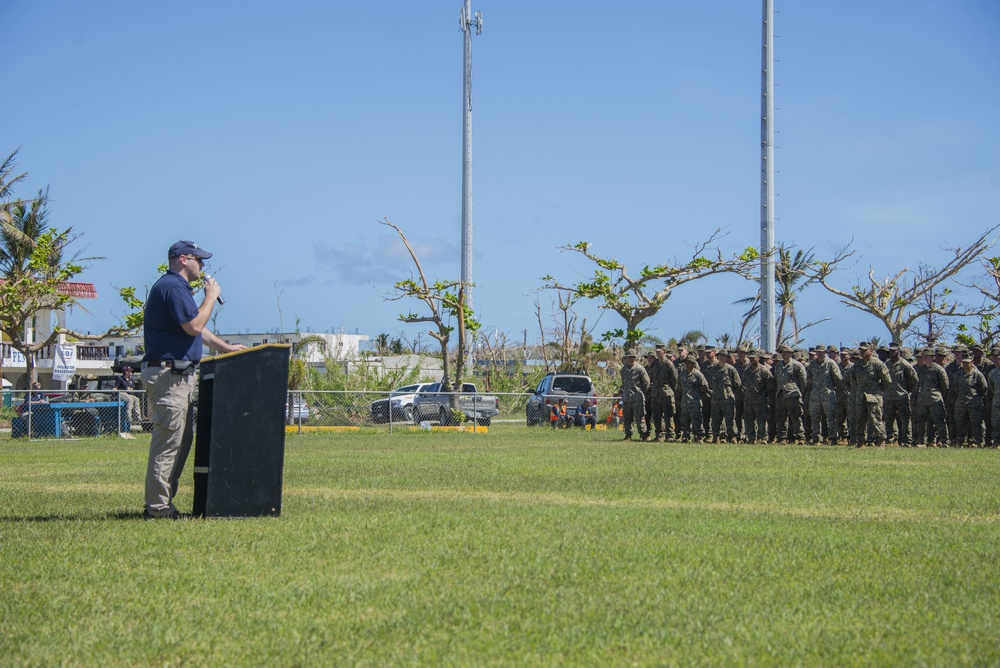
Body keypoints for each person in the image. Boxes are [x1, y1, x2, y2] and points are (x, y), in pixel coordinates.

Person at [141, 240, 245, 520]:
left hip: (176, 376)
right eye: (200, 260)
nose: (204, 266)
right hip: (168, 376)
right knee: (168, 445)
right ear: (183, 259)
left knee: (179, 442)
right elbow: (195, 325)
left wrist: (225, 348)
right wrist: (210, 296)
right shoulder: (173, 287)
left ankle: (163, 504)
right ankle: (158, 508)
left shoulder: (176, 288)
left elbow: (195, 330)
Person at [619, 352, 650, 441]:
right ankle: (628, 435)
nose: (630, 359)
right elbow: (623, 382)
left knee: (640, 417)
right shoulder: (623, 370)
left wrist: (641, 392)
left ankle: (643, 435)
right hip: (627, 397)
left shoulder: (640, 369)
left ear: (635, 358)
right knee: (627, 418)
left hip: (638, 398)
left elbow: (646, 382)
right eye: (629, 357)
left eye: (632, 357)